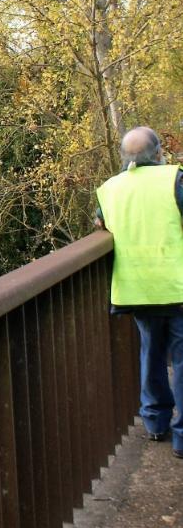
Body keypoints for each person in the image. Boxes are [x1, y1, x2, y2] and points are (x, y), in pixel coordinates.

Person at [96, 126, 183, 459]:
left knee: (151, 354)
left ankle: (156, 423)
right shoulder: (174, 180)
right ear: (158, 152)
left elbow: (101, 222)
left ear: (124, 158)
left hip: (136, 290)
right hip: (176, 287)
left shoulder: (110, 189)